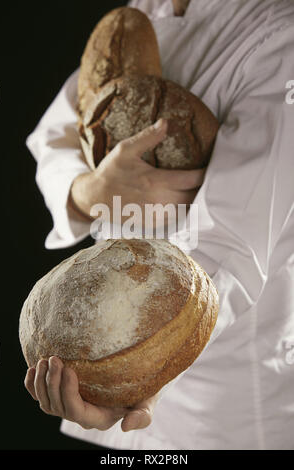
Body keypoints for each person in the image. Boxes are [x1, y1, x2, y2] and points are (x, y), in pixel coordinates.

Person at [24, 0, 294, 450]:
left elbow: (230, 245)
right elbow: (55, 136)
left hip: (227, 397)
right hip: (103, 356)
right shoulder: (141, 12)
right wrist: (91, 192)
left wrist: (143, 376)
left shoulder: (278, 37)